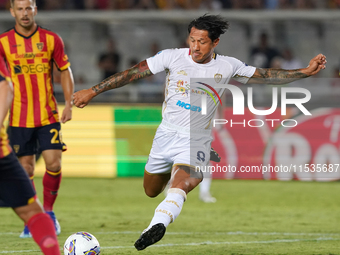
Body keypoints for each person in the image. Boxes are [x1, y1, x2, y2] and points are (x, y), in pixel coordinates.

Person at [73, 14, 326, 250]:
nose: (195, 47)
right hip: (165, 135)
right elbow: (132, 73)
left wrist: (304, 72)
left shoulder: (228, 65)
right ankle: (162, 213)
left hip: (196, 139)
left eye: (202, 42)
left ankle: (156, 225)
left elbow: (267, 75)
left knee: (182, 183)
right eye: (192, 40)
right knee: (151, 191)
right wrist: (92, 91)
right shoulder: (172, 57)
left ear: (215, 42)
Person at [0, 0, 74, 238]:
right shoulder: (3, 43)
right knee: (26, 168)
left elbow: (65, 70)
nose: (24, 13)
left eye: (28, 8)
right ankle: (35, 216)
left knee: (54, 163)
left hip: (47, 114)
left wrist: (69, 103)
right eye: (20, 8)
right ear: (12, 11)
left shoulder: (52, 39)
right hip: (19, 118)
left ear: (35, 10)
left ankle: (49, 213)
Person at [0, 58, 61, 255]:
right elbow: (6, 88)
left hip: (42, 118)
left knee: (51, 163)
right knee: (33, 213)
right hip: (2, 153)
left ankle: (49, 210)